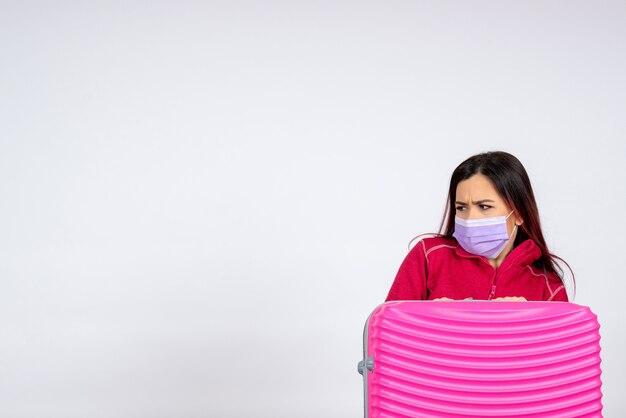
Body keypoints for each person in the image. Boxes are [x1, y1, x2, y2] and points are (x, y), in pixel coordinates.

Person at [385, 151, 574, 302]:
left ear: (518, 214)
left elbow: (560, 349)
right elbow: (388, 333)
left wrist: (522, 321)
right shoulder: (428, 256)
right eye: (462, 207)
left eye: (484, 207)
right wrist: (432, 318)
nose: (470, 218)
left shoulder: (547, 285)